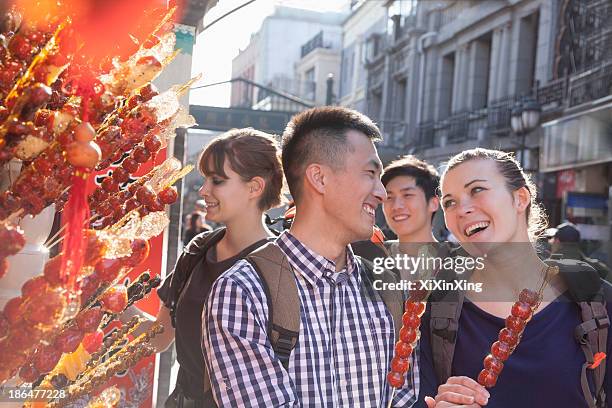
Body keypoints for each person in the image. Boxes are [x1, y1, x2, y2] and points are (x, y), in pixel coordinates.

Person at [202, 107, 419, 407]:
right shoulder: (243, 292)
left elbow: (405, 397)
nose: (382, 193)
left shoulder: (388, 289)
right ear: (319, 178)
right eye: (370, 174)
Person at [416, 148, 611, 408]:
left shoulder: (597, 303)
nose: (461, 209)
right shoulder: (436, 310)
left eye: (477, 190)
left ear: (520, 199)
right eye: (449, 202)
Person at [128, 128, 284, 407]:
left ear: (255, 187)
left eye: (217, 180)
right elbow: (160, 338)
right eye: (205, 179)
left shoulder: (281, 267)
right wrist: (117, 306)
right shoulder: (198, 250)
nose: (203, 190)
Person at [546, 222, 611, 282]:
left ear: (557, 241)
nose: (551, 243)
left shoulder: (548, 265)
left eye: (552, 240)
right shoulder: (598, 267)